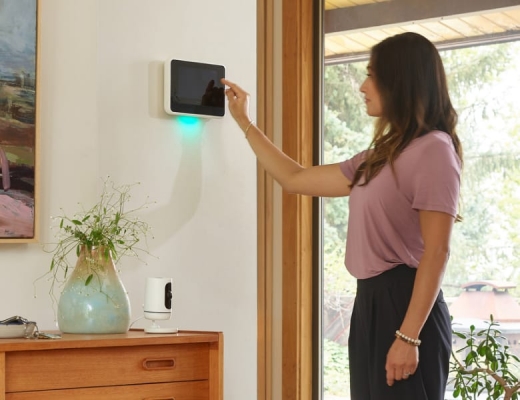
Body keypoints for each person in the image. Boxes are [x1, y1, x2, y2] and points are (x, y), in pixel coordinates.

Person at [222, 31, 462, 400]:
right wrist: (244, 122)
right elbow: (295, 178)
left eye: (372, 75)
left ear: (400, 81)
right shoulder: (378, 157)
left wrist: (408, 335)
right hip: (369, 304)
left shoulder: (434, 150)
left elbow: (437, 252)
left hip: (405, 307)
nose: (363, 86)